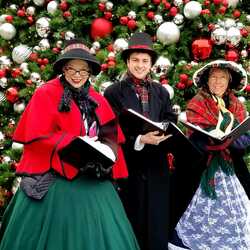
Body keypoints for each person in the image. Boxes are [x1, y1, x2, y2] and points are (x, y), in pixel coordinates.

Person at [0, 40, 140, 250]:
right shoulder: (46, 93)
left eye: (83, 70)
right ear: (63, 69)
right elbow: (37, 136)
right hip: (56, 180)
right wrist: (72, 143)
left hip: (94, 182)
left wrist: (105, 153)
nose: (77, 75)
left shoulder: (98, 100)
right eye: (71, 69)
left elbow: (112, 139)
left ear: (90, 72)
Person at [104, 32, 177, 250]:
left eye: (145, 61)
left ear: (151, 64)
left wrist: (163, 130)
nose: (140, 65)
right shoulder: (113, 92)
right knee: (131, 222)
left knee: (157, 224)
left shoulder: (161, 92)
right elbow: (109, 130)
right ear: (127, 61)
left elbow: (169, 118)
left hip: (157, 168)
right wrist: (139, 139)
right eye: (135, 60)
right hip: (129, 169)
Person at [168, 60, 250, 250]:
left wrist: (232, 141)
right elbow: (194, 137)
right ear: (207, 80)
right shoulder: (197, 103)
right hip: (202, 167)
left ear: (229, 81)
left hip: (232, 168)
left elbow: (245, 137)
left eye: (222, 77)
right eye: (214, 77)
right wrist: (211, 138)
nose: (218, 82)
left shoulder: (237, 105)